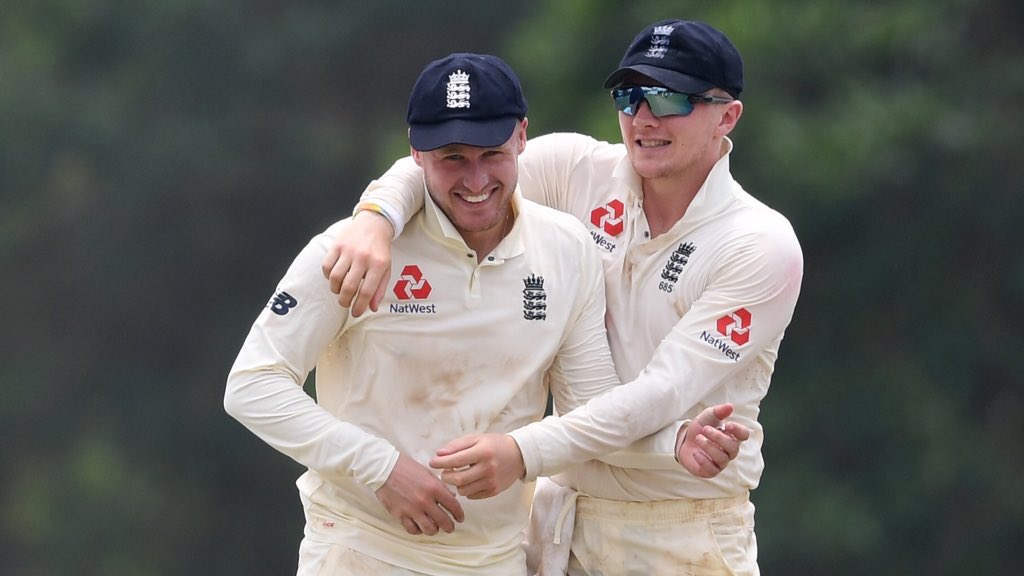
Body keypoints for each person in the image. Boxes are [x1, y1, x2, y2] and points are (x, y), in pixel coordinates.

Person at [225, 51, 745, 576]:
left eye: (491, 154)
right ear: (416, 154)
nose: (475, 179)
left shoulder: (566, 249)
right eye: (452, 157)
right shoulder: (355, 249)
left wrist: (673, 442)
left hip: (496, 559)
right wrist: (381, 470)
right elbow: (252, 384)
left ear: (522, 137)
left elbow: (589, 406)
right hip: (360, 550)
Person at [322, 20, 804, 575]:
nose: (644, 117)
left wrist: (522, 451)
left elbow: (657, 395)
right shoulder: (578, 168)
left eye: (670, 98)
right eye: (630, 95)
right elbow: (451, 161)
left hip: (681, 529)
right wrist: (375, 218)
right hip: (557, 523)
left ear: (727, 115)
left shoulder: (760, 244)